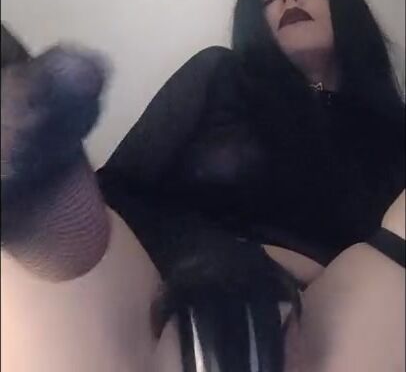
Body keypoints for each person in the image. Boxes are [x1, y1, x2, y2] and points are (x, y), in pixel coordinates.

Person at [1, 27, 405, 372]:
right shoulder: (222, 77)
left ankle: (40, 174)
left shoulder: (390, 129)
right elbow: (122, 188)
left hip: (336, 310)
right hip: (189, 299)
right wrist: (243, 254)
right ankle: (42, 182)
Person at [96, 0, 405, 364]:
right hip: (214, 309)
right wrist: (259, 253)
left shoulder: (391, 129)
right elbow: (114, 191)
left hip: (350, 326)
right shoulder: (221, 77)